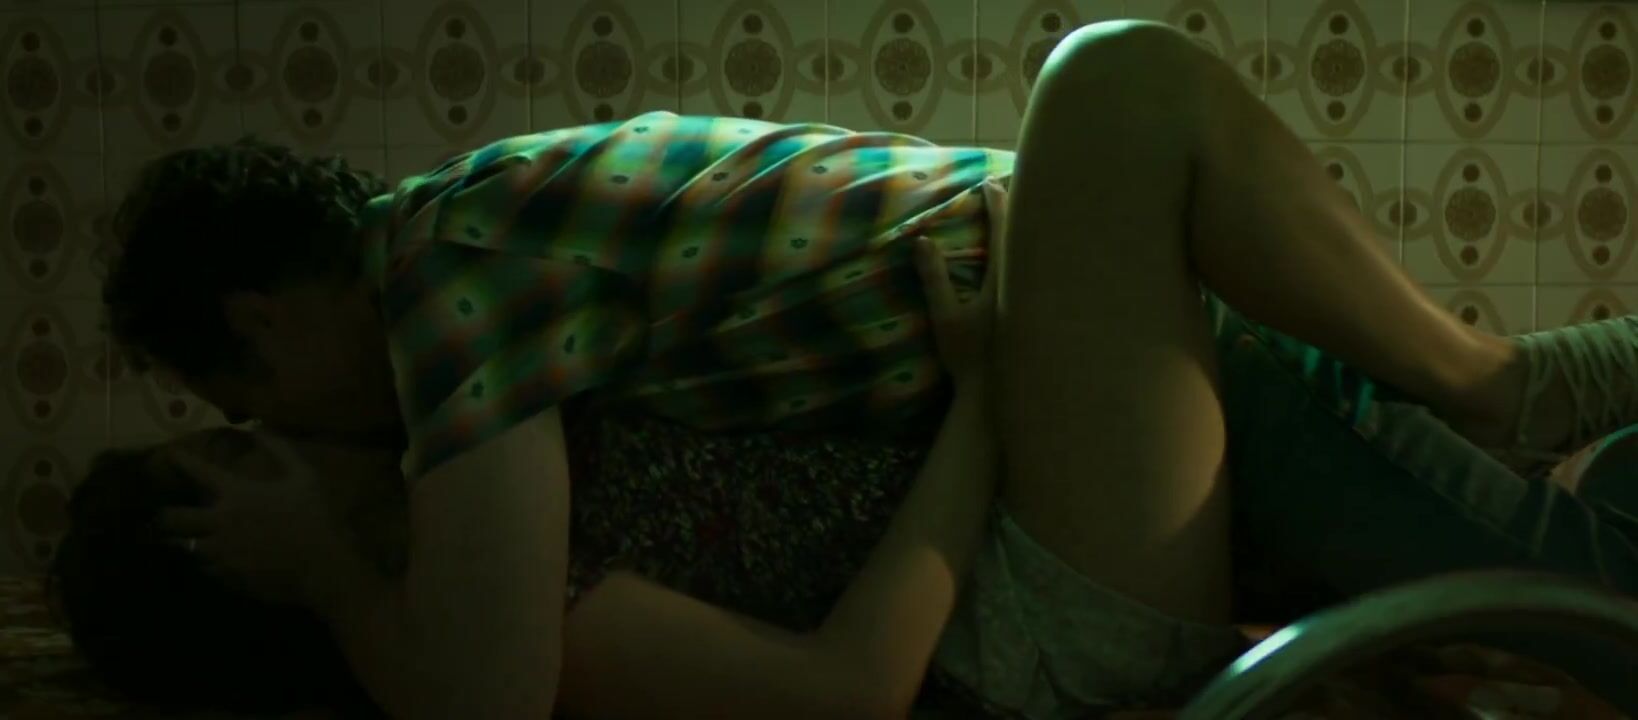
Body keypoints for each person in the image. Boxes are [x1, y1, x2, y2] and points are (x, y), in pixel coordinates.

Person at [56, 19, 1638, 719]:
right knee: (1116, 87)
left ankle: (1507, 406)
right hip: (1046, 547)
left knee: (1566, 520)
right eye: (243, 455)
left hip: (1080, 426)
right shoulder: (467, 476)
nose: (290, 445)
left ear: (260, 322)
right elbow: (490, 696)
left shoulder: (445, 275)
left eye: (246, 422)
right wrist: (325, 566)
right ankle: (1496, 383)